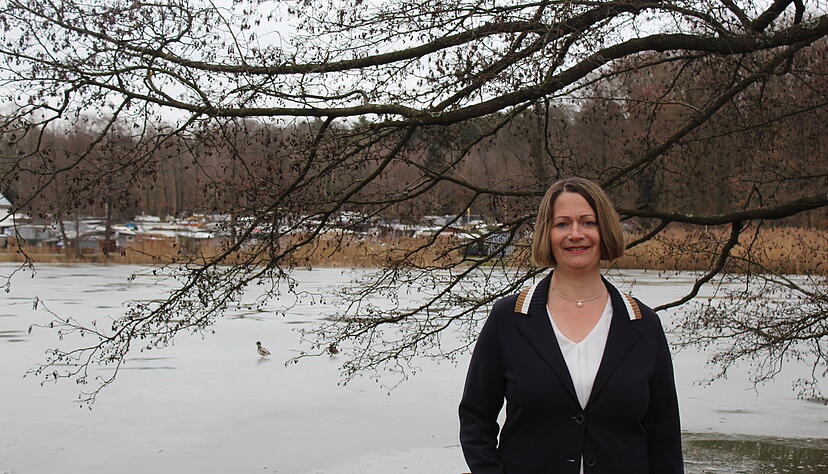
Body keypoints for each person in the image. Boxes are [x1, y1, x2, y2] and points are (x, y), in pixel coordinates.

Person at [459, 177, 683, 474]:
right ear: (546, 234)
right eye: (562, 224)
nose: (575, 234)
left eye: (588, 222)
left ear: (605, 231)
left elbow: (664, 435)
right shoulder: (509, 318)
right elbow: (476, 418)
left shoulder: (643, 325)